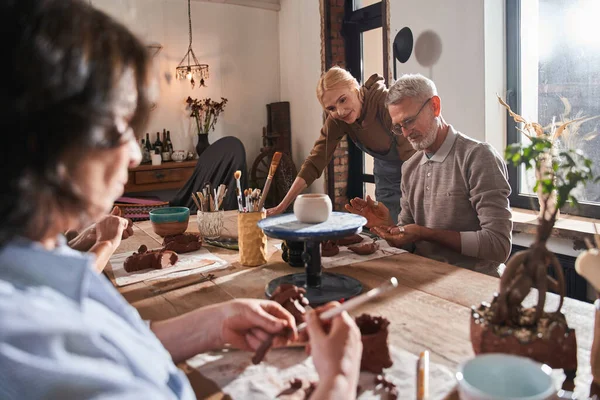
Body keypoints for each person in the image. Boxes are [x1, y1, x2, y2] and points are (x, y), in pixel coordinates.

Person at [0, 1, 362, 398]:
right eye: (120, 126)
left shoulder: (34, 262)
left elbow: (106, 346)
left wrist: (215, 323)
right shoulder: (22, 339)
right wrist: (338, 382)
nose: (134, 154)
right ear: (48, 137)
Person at [347, 74, 512, 276]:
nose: (406, 133)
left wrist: (427, 234)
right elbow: (409, 246)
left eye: (409, 121)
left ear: (435, 106)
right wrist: (389, 228)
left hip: (476, 286)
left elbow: (498, 246)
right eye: (398, 127)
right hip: (424, 279)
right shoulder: (410, 167)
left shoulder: (478, 157)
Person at [267, 67, 415, 223]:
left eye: (343, 99)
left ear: (354, 88)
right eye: (331, 108)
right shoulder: (337, 120)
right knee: (388, 229)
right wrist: (282, 206)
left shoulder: (385, 103)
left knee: (413, 228)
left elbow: (413, 156)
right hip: (386, 175)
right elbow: (314, 162)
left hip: (415, 168)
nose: (340, 111)